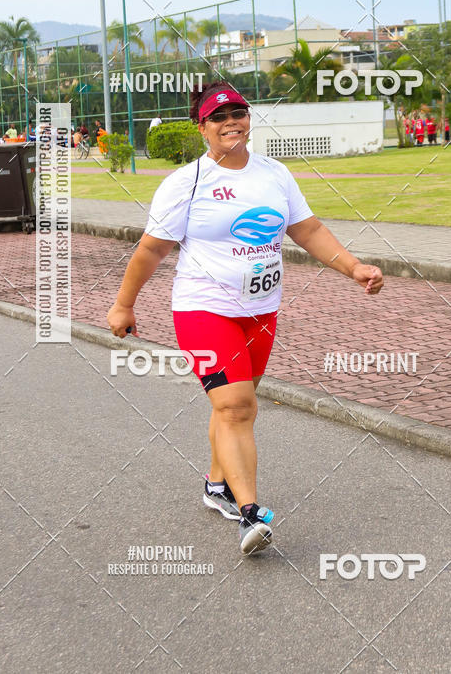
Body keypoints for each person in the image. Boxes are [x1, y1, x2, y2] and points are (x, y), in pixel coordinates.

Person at [107, 81, 384, 556]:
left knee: (232, 403)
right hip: (203, 309)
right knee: (236, 406)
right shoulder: (185, 183)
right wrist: (123, 304)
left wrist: (353, 267)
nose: (231, 122)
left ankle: (216, 485)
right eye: (219, 117)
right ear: (203, 128)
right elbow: (152, 249)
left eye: (239, 113)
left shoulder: (274, 174)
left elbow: (308, 229)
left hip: (261, 311)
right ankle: (251, 514)